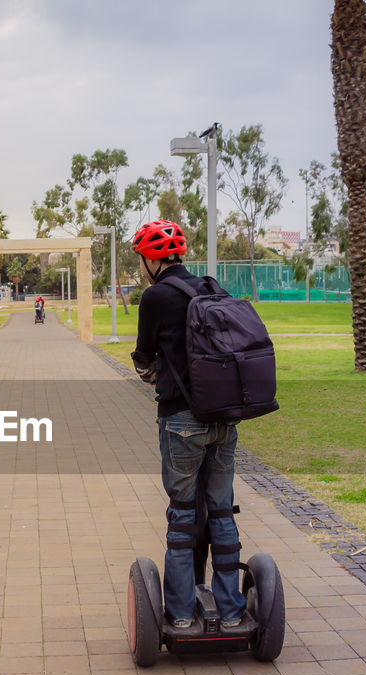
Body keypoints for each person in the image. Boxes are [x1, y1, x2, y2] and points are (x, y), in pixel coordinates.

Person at [130, 220, 246, 629]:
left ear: (150, 258)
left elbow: (144, 358)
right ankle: (232, 613)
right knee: (221, 511)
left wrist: (156, 374)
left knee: (182, 514)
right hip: (224, 419)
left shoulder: (155, 297)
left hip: (182, 420)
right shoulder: (212, 288)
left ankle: (180, 615)